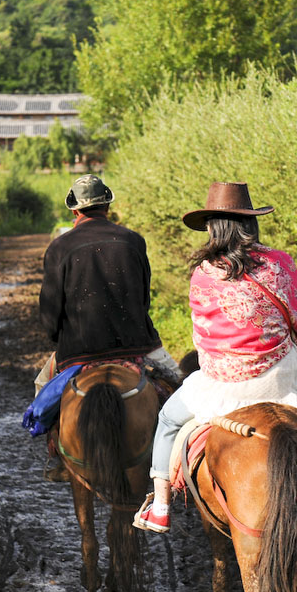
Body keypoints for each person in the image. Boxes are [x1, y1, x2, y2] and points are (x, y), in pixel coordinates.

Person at [133, 181, 297, 536]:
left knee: (168, 420)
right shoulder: (280, 264)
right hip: (279, 377)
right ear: (251, 223)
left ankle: (161, 504)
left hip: (223, 384)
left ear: (213, 227)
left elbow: (203, 335)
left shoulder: (204, 273)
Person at [29, 174, 181, 479]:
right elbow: (143, 297)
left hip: (79, 351)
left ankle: (59, 458)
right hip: (137, 344)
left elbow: (49, 313)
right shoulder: (133, 241)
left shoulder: (59, 247)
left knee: (41, 390)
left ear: (74, 210)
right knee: (181, 388)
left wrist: (59, 339)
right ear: (107, 206)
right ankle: (180, 461)